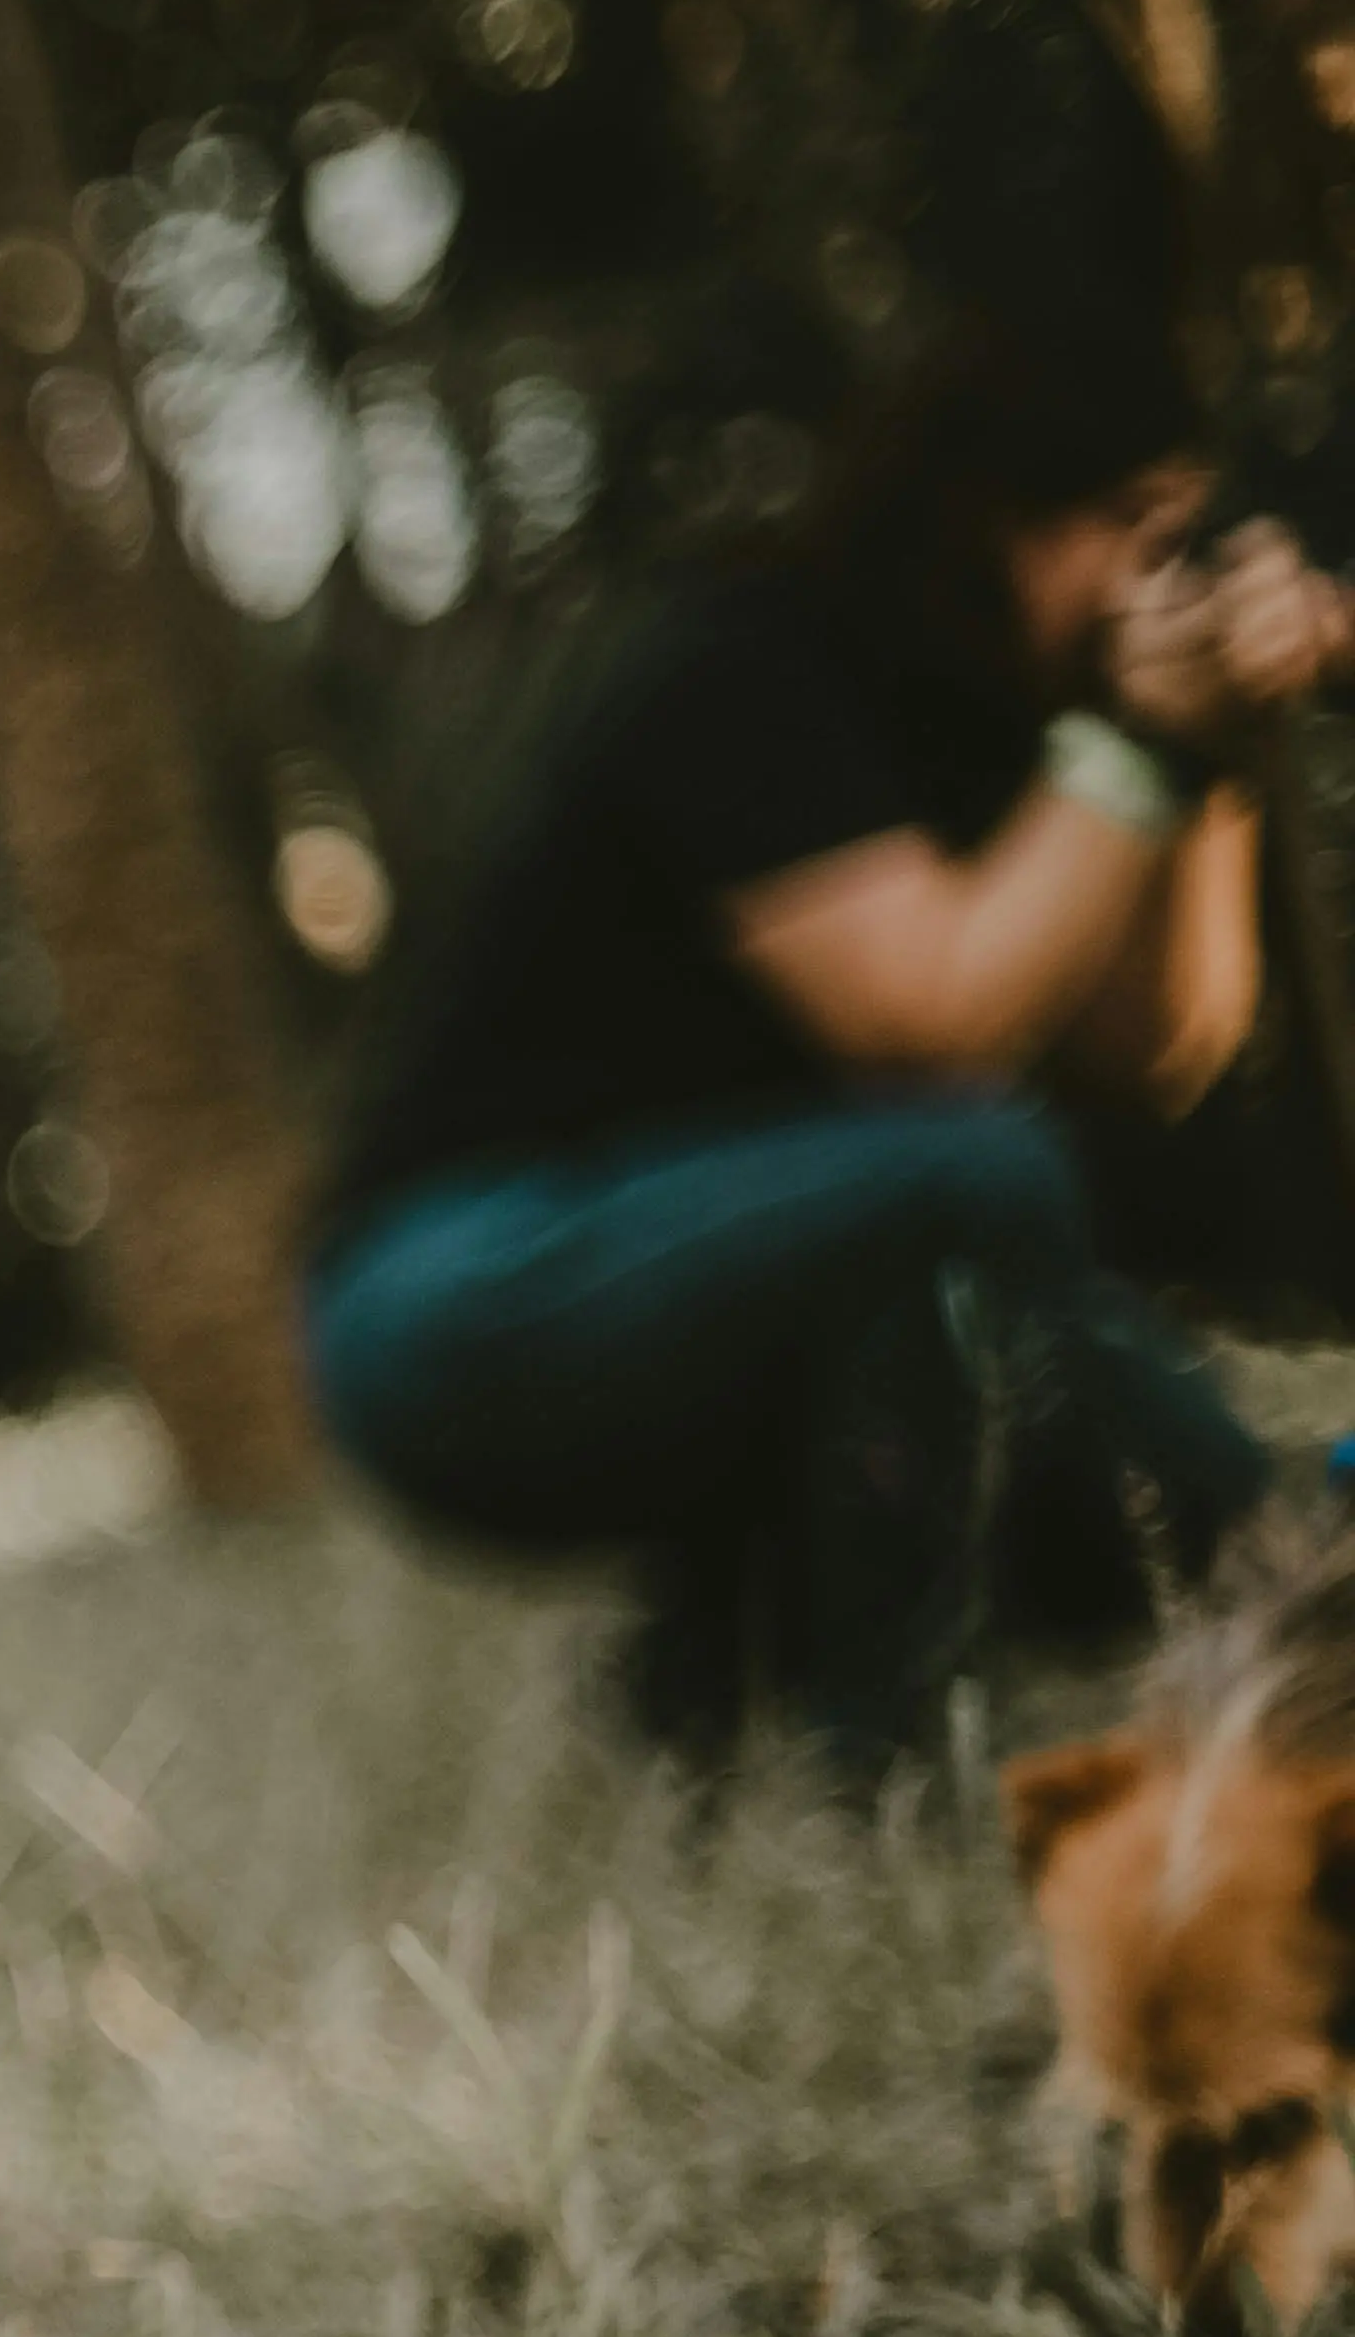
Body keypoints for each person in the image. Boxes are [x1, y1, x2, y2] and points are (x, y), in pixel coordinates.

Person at [303, 326, 1342, 1770]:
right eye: (1124, 529)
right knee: (966, 1185)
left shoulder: (1021, 734)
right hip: (462, 1299)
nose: (1146, 586)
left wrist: (1216, 744)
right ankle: (924, 1733)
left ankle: (739, 1712)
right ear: (986, 513)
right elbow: (936, 1028)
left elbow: (1153, 1052)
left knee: (1131, 1443)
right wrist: (1147, 750)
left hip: (754, 1281)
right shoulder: (749, 666)